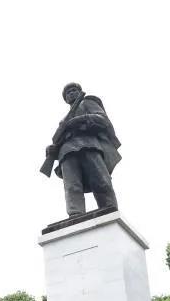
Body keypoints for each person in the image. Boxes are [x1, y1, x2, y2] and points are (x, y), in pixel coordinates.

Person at [42, 82, 121, 216]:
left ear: (80, 92)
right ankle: (75, 213)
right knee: (72, 186)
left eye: (74, 90)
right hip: (66, 152)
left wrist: (80, 119)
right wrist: (52, 150)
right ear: (65, 99)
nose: (71, 93)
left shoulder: (87, 103)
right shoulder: (63, 120)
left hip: (88, 144)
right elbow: (58, 140)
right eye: (68, 93)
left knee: (100, 179)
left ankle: (109, 208)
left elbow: (103, 119)